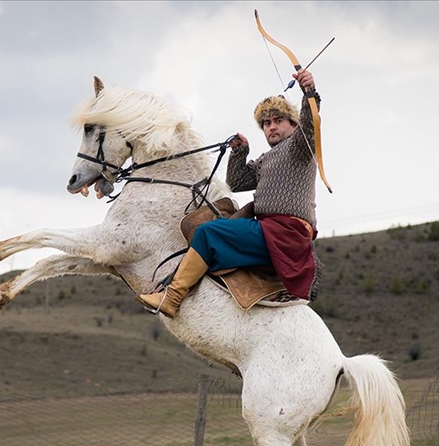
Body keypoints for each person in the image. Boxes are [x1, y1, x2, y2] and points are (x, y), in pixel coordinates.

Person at [138, 69, 322, 318]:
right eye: (266, 123)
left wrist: (309, 92)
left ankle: (172, 298)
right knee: (207, 227)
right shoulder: (266, 159)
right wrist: (240, 152)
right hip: (265, 231)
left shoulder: (301, 148)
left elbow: (311, 126)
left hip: (285, 233)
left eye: (278, 120)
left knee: (207, 232)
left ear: (293, 124)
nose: (271, 127)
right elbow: (235, 182)